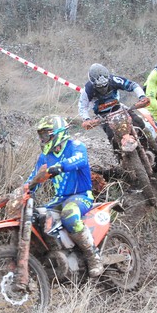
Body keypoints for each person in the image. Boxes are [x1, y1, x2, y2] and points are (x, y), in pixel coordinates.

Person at [29, 115, 104, 277]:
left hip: (81, 195)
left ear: (57, 133)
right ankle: (54, 256)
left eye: (45, 134)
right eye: (40, 135)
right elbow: (34, 177)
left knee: (69, 214)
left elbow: (80, 160)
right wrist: (23, 191)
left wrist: (60, 166)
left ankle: (93, 256)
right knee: (36, 216)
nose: (42, 139)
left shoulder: (75, 146)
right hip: (60, 198)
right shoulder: (45, 156)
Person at [78, 63, 155, 150]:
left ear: (108, 79)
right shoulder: (87, 89)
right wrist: (87, 119)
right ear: (93, 83)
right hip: (103, 116)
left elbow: (133, 85)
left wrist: (142, 97)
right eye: (99, 87)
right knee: (111, 135)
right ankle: (119, 158)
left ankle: (156, 147)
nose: (103, 89)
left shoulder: (114, 79)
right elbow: (82, 106)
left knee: (139, 122)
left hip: (119, 108)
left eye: (105, 85)